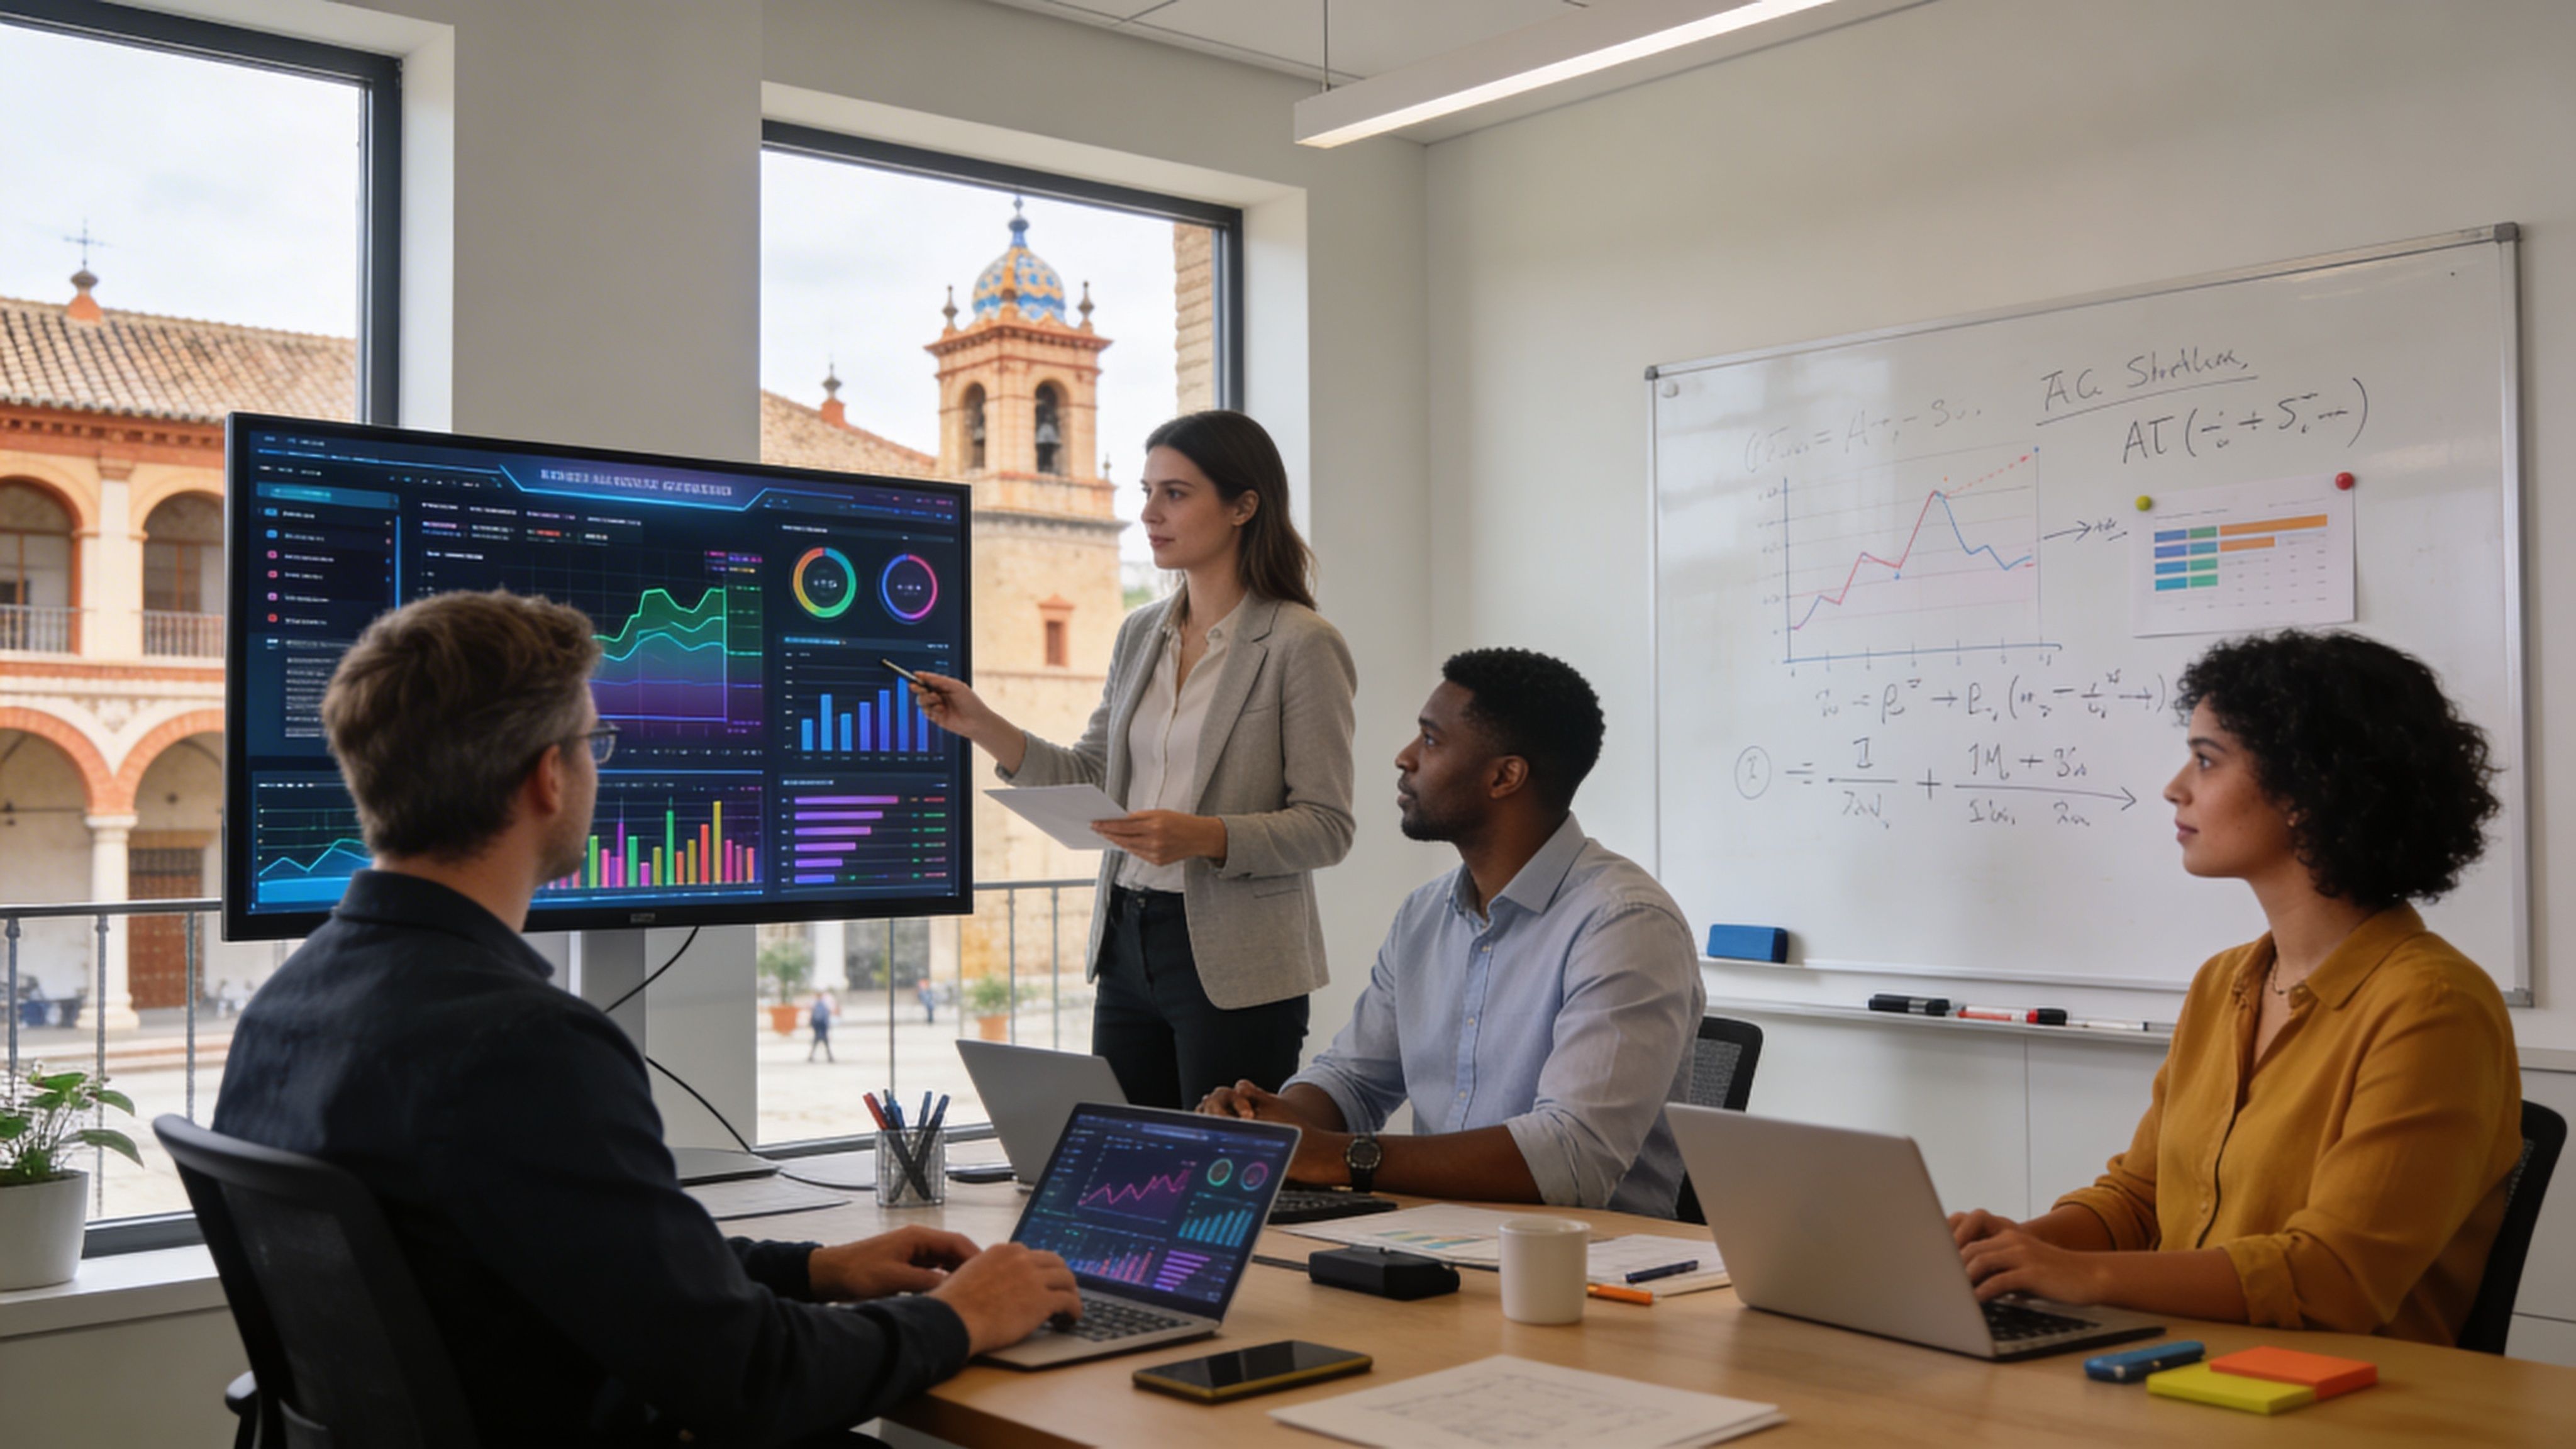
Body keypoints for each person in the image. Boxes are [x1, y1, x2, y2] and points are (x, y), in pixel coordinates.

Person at [213, 591, 1079, 1447]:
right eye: (596, 744)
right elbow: (751, 1379)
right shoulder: (524, 1043)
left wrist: (816, 1269)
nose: (599, 765)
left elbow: (595, 1267)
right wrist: (963, 1319)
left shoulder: (283, 1013)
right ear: (547, 777)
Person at [1949, 630, 2522, 1346]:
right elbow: (2141, 1199)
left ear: (2308, 792)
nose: (2174, 787)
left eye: (2205, 760)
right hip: (2191, 1368)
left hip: (2347, 1403)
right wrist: (2003, 1255)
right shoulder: (2225, 982)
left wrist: (2082, 1276)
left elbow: (2333, 1278)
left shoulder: (2434, 1007)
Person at [912, 410, 1357, 1108]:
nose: (1150, 513)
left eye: (1174, 494)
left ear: (1244, 506)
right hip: (1125, 938)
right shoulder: (1139, 633)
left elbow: (1327, 825)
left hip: (1238, 960)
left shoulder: (1301, 644)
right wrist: (982, 725)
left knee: (1220, 1179)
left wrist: (1205, 837)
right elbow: (1094, 774)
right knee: (1126, 1165)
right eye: (1147, 492)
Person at [1202, 649, 1704, 1217]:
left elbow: (1572, 1156)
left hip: (1588, 1269)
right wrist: (1271, 1127)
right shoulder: (1426, 913)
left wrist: (1343, 1158)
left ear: (1504, 776)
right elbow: (1353, 1081)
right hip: (1437, 1242)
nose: (1405, 757)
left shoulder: (1624, 923)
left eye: (1431, 741)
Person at [808, 989, 836, 1063]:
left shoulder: (815, 1001)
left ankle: (812, 1055)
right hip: (822, 1023)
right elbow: (831, 1010)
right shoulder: (825, 1001)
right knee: (822, 1039)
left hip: (818, 1023)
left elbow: (810, 1010)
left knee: (818, 1039)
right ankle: (829, 1056)